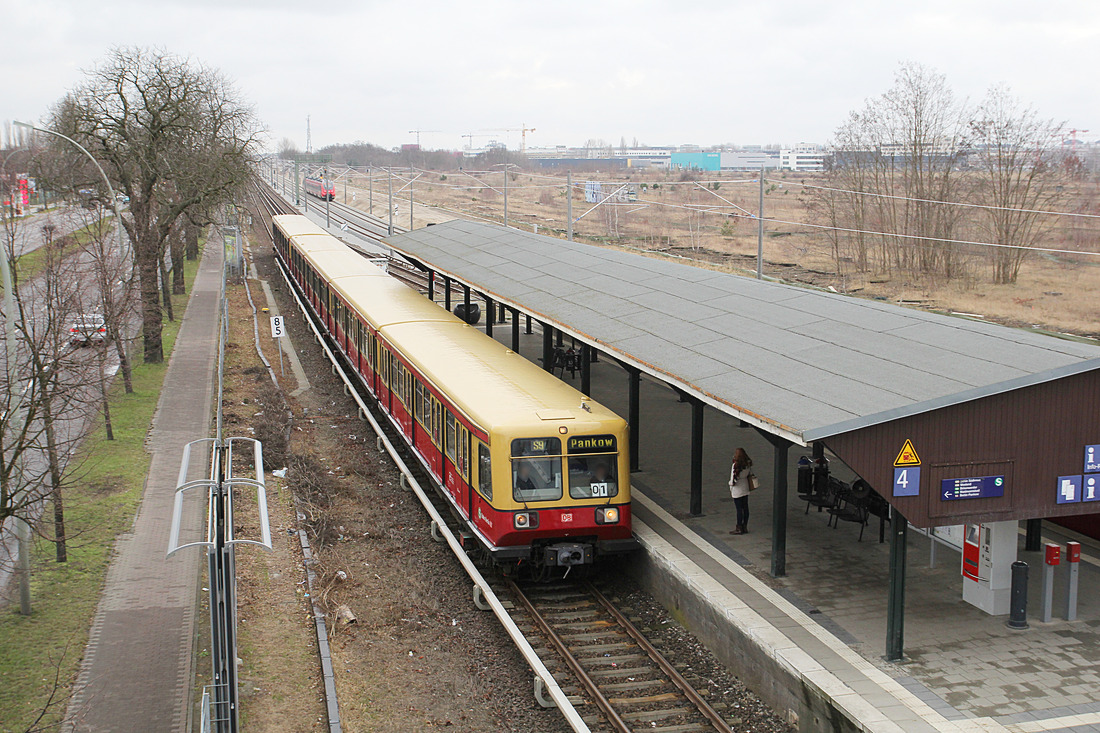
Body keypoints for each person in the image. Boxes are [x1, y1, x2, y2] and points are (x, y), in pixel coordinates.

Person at [728, 447, 753, 535]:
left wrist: (730, 484)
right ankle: (744, 526)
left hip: (737, 489)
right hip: (745, 486)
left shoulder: (735, 465)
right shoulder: (747, 464)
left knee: (739, 509)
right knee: (745, 508)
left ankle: (739, 527)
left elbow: (733, 479)